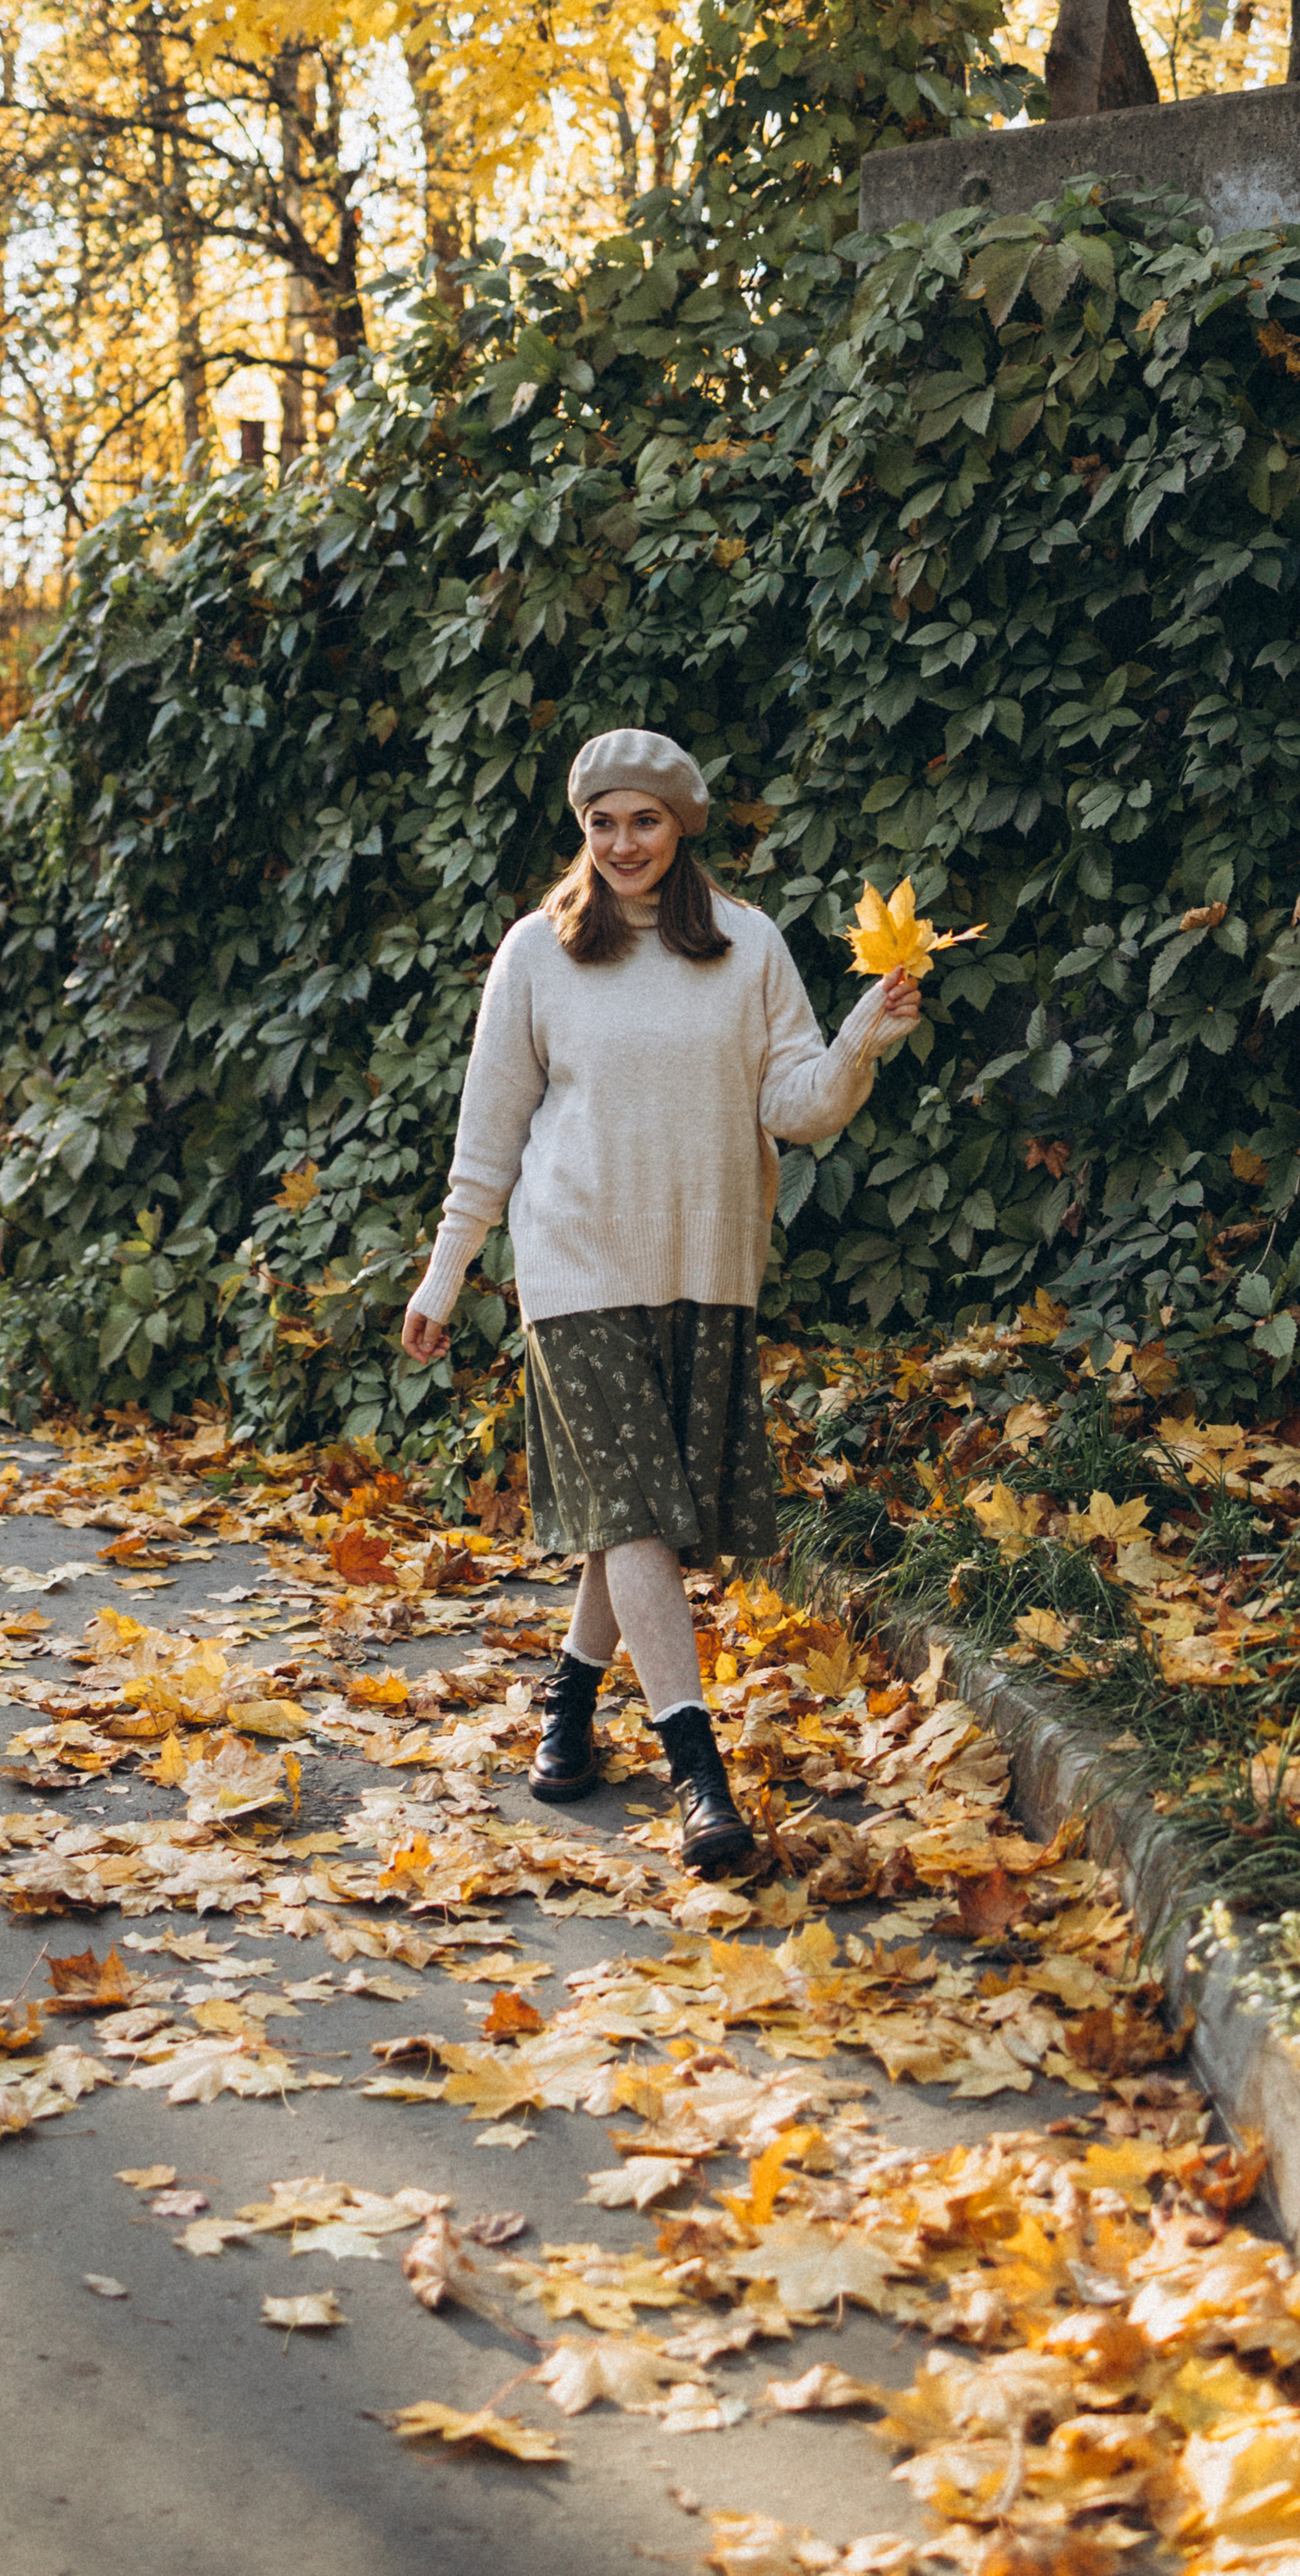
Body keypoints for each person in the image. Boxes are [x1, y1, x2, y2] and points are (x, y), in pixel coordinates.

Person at [399, 726, 918, 1879]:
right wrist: (445, 1274)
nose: (622, 843)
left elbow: (793, 1105)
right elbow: (487, 1139)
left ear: (680, 823)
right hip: (574, 1261)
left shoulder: (747, 946)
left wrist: (857, 1044)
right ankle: (698, 1773)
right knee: (635, 1508)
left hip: (707, 1263)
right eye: (601, 822)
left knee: (636, 1511)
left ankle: (570, 1707)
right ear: (582, 832)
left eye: (643, 819)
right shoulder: (538, 952)